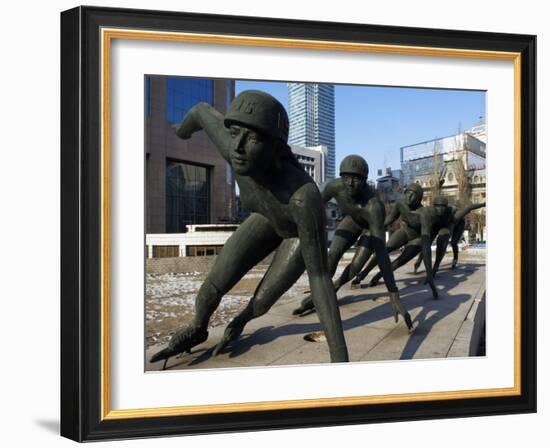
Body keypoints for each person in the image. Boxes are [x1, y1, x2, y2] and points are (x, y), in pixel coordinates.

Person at [150, 90, 349, 367]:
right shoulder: (235, 148)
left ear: (277, 148)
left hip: (293, 232)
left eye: (254, 138)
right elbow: (198, 111)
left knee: (261, 303)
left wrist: (339, 356)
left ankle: (240, 320)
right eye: (236, 134)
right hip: (265, 218)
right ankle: (198, 327)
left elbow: (319, 278)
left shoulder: (303, 197)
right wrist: (181, 132)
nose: (239, 147)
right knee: (209, 290)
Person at [212, 156, 412, 357]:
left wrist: (393, 293)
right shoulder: (335, 186)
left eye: (356, 179)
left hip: (369, 228)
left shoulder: (373, 206)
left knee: (354, 268)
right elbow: (312, 205)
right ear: (340, 177)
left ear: (365, 179)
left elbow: (381, 254)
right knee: (331, 255)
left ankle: (334, 287)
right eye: (346, 177)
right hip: (352, 221)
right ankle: (322, 294)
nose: (350, 183)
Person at [332, 182, 426, 292]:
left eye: (413, 194)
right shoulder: (401, 204)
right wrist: (375, 226)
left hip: (417, 238)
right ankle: (363, 274)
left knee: (398, 262)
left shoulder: (422, 211)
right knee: (383, 251)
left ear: (419, 198)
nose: (408, 197)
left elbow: (423, 230)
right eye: (407, 193)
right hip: (405, 232)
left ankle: (378, 276)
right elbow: (390, 219)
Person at [412, 202, 486, 274]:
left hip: (457, 224)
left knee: (452, 243)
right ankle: (419, 261)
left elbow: (469, 207)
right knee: (428, 240)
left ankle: (454, 260)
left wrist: (483, 204)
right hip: (439, 223)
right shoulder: (432, 213)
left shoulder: (455, 216)